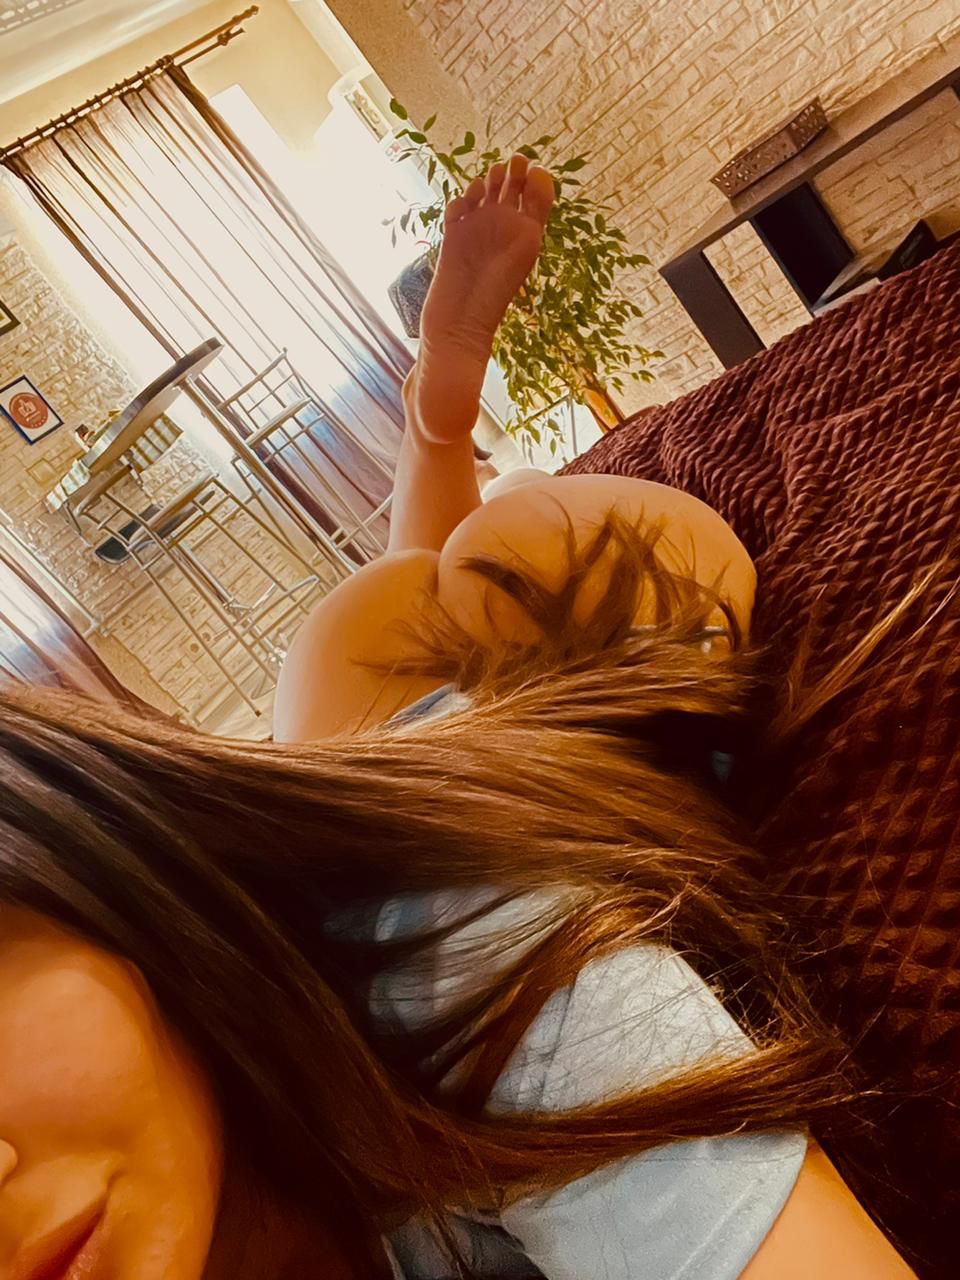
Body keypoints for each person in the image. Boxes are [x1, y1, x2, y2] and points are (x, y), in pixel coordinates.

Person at [0, 156, 916, 1280]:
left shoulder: (459, 960)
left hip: (509, 729)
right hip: (368, 747)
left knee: (507, 553)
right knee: (396, 614)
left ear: (77, 862)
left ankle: (445, 417)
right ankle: (442, 421)